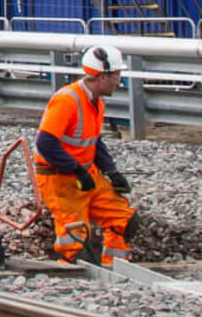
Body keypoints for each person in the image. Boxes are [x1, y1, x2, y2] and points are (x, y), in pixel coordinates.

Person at [33, 45, 140, 267]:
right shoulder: (68, 100)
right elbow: (45, 142)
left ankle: (114, 267)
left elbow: (94, 141)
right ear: (103, 76)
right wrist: (77, 170)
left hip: (85, 176)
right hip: (60, 181)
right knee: (75, 244)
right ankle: (70, 272)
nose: (118, 81)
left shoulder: (96, 102)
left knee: (125, 220)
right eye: (116, 75)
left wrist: (111, 171)